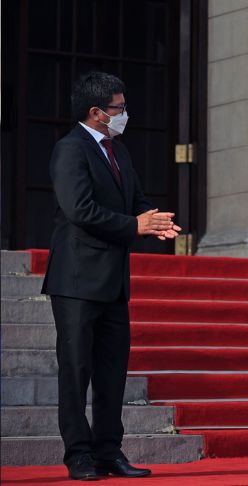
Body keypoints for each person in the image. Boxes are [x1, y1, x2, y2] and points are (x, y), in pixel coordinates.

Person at [41, 71, 181, 480]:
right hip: (77, 281)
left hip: (113, 281)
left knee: (111, 373)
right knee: (76, 371)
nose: (125, 114)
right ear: (97, 112)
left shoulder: (119, 152)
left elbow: (134, 202)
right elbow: (80, 210)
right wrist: (134, 226)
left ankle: (109, 451)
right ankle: (78, 455)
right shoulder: (70, 150)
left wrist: (153, 221)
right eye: (119, 108)